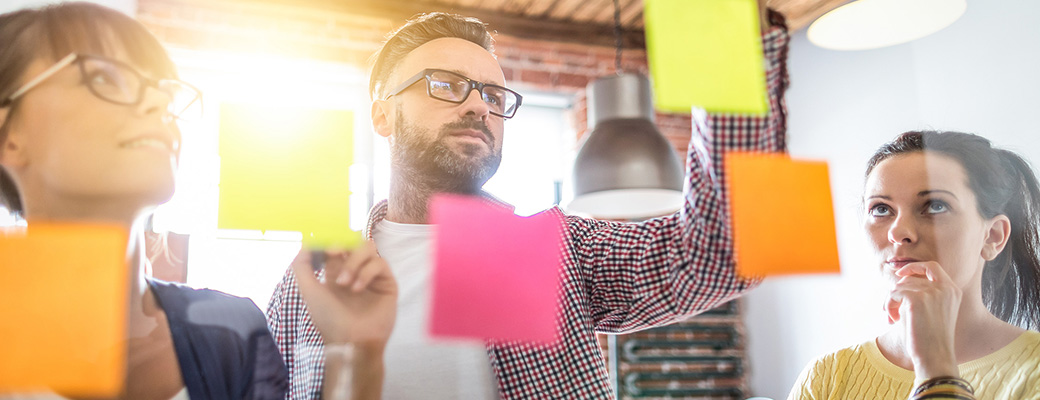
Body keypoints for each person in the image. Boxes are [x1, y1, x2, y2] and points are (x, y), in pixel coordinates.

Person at [266, 4, 792, 398]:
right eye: (445, 85)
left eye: (493, 95)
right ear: (383, 116)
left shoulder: (550, 247)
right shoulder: (313, 279)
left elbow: (724, 252)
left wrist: (727, 37)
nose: (478, 106)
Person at [0, 3, 291, 398]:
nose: (160, 106)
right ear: (9, 133)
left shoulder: (235, 332)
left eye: (165, 92)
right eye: (104, 76)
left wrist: (359, 358)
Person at [788, 131, 1040, 400]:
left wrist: (936, 370)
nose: (898, 232)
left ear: (993, 236)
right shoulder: (826, 377)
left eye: (934, 206)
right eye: (881, 209)